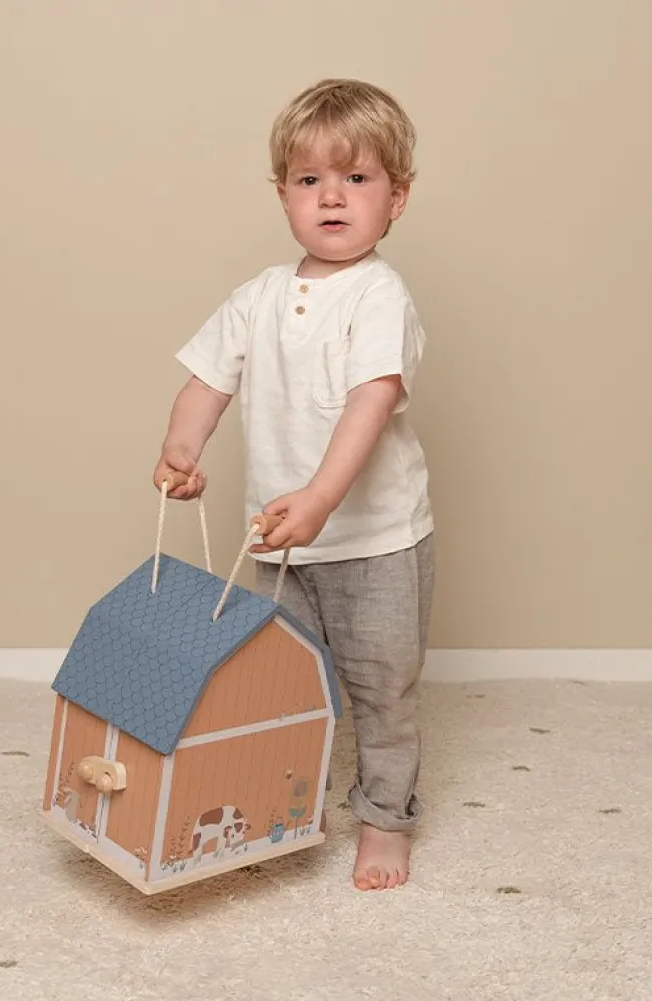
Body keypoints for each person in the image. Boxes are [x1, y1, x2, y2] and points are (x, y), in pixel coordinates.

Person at [153, 78, 434, 891]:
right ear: (283, 195)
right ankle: (284, 803)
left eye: (357, 179)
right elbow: (208, 380)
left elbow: (370, 401)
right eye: (310, 181)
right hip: (276, 544)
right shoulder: (259, 298)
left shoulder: (380, 296)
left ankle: (384, 819)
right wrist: (181, 446)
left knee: (384, 688)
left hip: (375, 541)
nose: (332, 197)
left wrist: (319, 497)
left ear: (397, 199)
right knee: (278, 681)